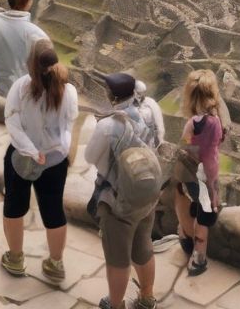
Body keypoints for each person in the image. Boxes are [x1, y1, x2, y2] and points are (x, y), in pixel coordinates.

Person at [1, 39, 78, 283]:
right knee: (53, 209)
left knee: (14, 205)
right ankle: (55, 263)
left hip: (22, 158)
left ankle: (15, 258)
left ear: (31, 62)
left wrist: (32, 151)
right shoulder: (69, 91)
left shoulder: (21, 88)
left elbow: (12, 122)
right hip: (54, 161)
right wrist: (59, 151)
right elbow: (68, 127)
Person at [85, 72, 163, 309]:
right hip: (147, 194)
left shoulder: (109, 125)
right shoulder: (149, 112)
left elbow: (90, 157)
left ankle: (116, 304)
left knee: (117, 259)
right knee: (143, 246)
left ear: (111, 96)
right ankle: (147, 297)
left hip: (119, 201)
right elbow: (159, 140)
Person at [174, 69, 226, 276]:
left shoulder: (192, 123)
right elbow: (218, 140)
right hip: (210, 171)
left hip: (193, 171)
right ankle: (199, 257)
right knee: (205, 214)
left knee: (185, 201)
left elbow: (187, 145)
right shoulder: (216, 121)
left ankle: (185, 236)